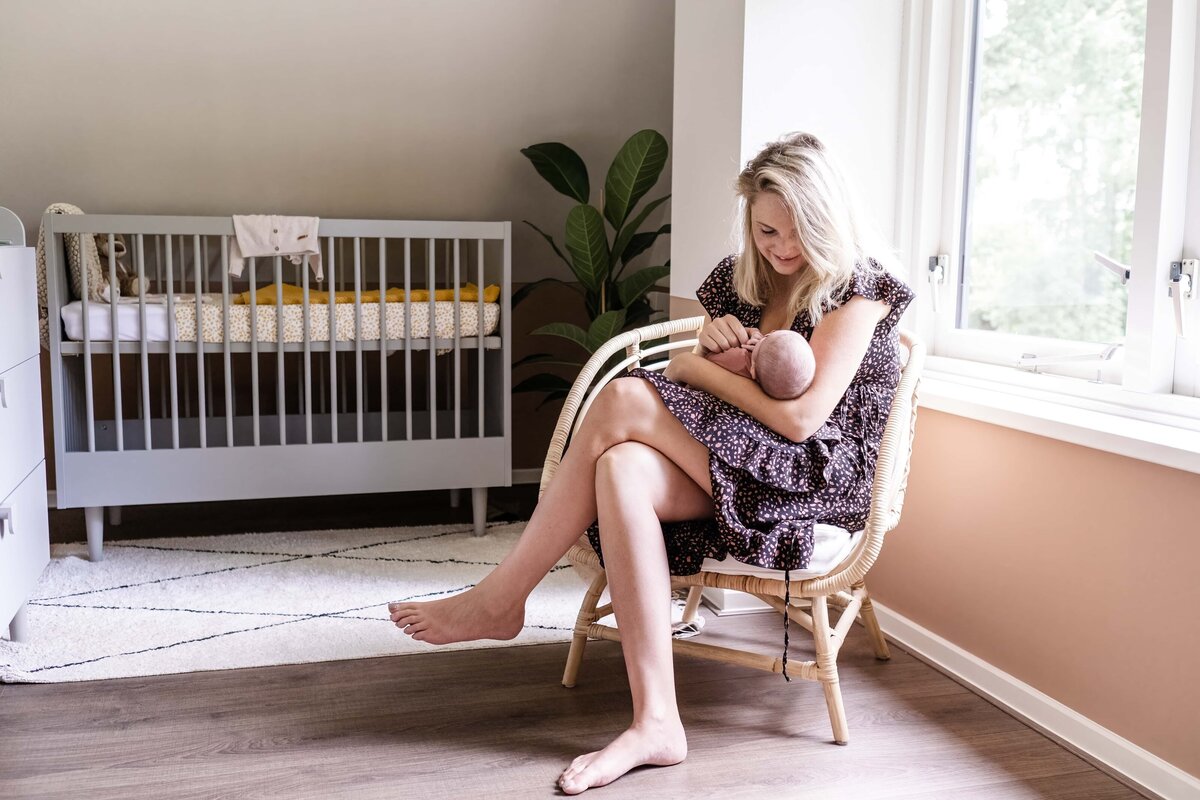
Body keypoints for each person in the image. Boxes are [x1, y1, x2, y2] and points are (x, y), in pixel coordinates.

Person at [388, 131, 914, 795]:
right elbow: (726, 397)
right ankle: (657, 722)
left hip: (807, 481)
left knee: (624, 399)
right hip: (741, 460)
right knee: (622, 467)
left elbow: (801, 420)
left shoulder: (858, 291)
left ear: (828, 220)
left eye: (796, 232)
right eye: (766, 230)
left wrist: (695, 365)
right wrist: (718, 355)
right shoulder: (743, 279)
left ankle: (503, 596)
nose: (781, 249)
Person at [705, 326, 816, 399]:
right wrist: (755, 332)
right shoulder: (773, 385)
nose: (767, 334)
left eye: (766, 338)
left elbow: (709, 357)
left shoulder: (740, 359)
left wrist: (746, 334)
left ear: (753, 371)